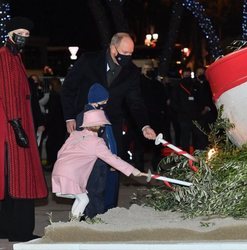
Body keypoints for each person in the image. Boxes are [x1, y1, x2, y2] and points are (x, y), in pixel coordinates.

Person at [61, 32, 156, 208]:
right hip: (85, 124)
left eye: (130, 54)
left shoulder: (131, 72)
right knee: (88, 168)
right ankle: (86, 212)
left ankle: (109, 210)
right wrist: (69, 117)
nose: (127, 57)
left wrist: (145, 125)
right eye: (124, 53)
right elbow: (69, 88)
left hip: (112, 126)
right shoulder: (88, 61)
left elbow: (135, 102)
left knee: (112, 165)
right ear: (113, 48)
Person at [0, 17, 48, 242]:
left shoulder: (14, 57)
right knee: (20, 179)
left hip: (12, 126)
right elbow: (8, 94)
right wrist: (17, 127)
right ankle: (20, 231)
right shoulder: (5, 56)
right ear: (10, 33)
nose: (24, 37)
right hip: (11, 129)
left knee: (9, 180)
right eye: (20, 32)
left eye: (27, 35)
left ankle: (8, 229)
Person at [52, 109, 143, 221]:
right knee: (84, 199)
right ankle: (73, 223)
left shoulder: (74, 135)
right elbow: (112, 159)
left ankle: (73, 221)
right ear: (99, 125)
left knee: (81, 198)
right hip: (71, 176)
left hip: (58, 172)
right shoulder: (97, 142)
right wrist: (132, 170)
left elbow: (60, 152)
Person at [76, 83, 119, 218]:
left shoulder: (99, 113)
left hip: (101, 158)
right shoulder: (89, 116)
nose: (106, 102)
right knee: (95, 190)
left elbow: (108, 138)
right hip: (95, 160)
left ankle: (94, 216)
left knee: (98, 189)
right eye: (104, 99)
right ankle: (94, 217)